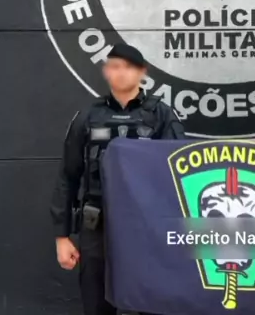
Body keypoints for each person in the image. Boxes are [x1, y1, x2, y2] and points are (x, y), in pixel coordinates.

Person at [50, 43, 185, 315]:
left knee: (153, 303)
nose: (121, 73)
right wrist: (62, 236)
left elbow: (178, 177)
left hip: (147, 226)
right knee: (96, 303)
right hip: (97, 224)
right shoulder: (88, 117)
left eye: (128, 67)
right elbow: (68, 176)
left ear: (142, 72)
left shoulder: (161, 115)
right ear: (106, 71)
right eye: (115, 67)